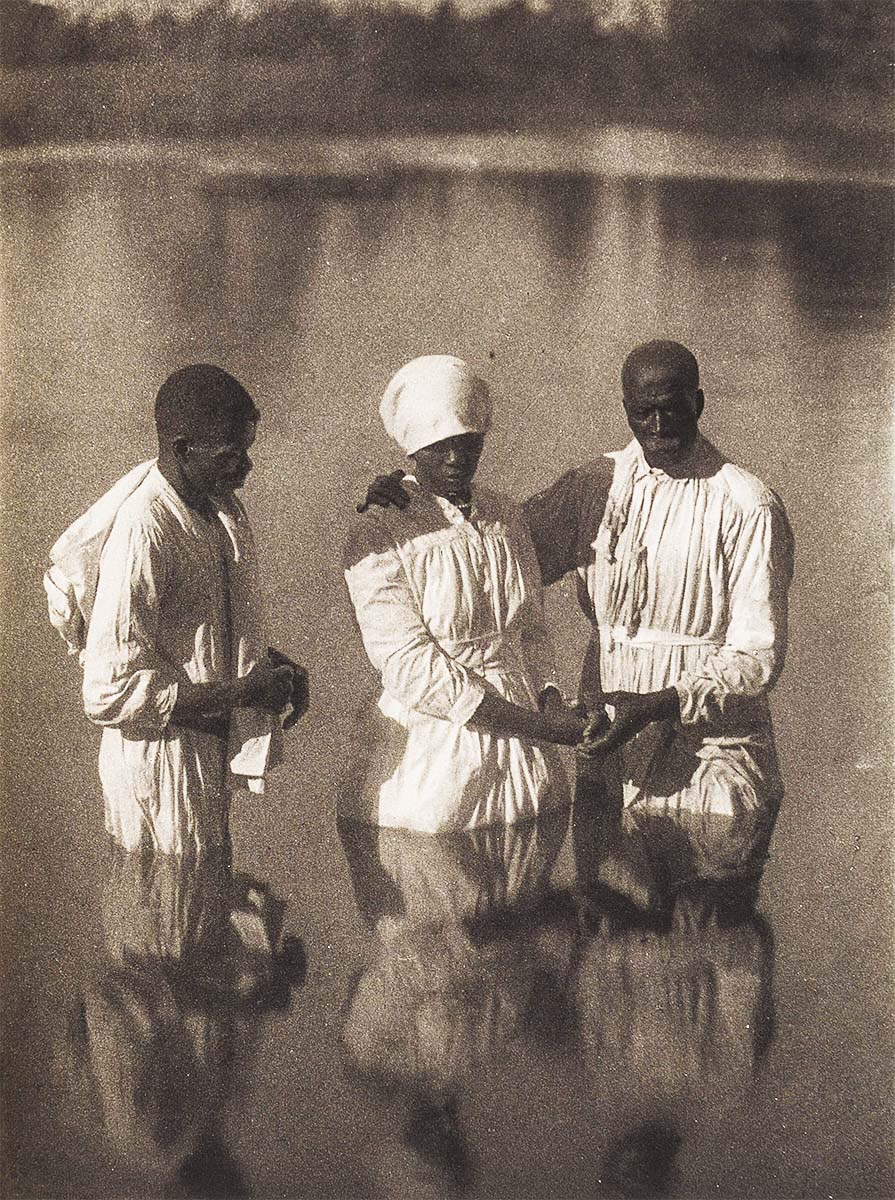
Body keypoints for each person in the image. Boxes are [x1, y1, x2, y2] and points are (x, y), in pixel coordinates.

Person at [359, 341, 794, 877]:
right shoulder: (596, 485)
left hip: (706, 737)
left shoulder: (748, 505)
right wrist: (412, 500)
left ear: (698, 404)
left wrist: (661, 702)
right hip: (608, 730)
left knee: (708, 900)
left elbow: (757, 655)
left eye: (672, 408)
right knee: (605, 923)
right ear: (625, 408)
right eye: (642, 411)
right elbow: (490, 556)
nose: (657, 425)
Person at [45, 364, 309, 855]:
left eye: (246, 451)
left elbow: (199, 626)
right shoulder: (145, 530)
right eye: (231, 455)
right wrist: (245, 692)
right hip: (158, 765)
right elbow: (108, 691)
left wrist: (273, 664)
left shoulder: (218, 508)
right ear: (183, 448)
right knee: (166, 913)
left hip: (203, 750)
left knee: (204, 909)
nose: (246, 467)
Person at [342, 354, 586, 832]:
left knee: (530, 847)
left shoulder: (503, 516)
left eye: (468, 445)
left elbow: (531, 629)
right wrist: (536, 726)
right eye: (439, 448)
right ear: (412, 449)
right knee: (446, 873)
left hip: (525, 742)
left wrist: (551, 698)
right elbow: (408, 664)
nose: (457, 461)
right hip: (438, 746)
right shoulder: (383, 531)